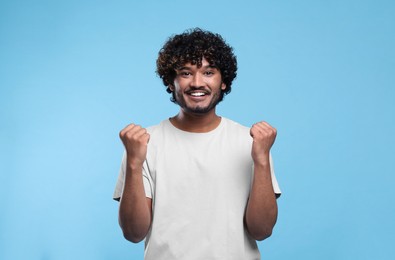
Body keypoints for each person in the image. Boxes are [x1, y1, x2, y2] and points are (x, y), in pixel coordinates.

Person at [113, 28, 281, 260]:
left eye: (208, 72)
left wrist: (261, 159)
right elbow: (133, 233)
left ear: (223, 81)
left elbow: (262, 230)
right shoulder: (143, 145)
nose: (197, 83)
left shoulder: (251, 143)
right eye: (185, 73)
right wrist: (134, 162)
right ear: (171, 83)